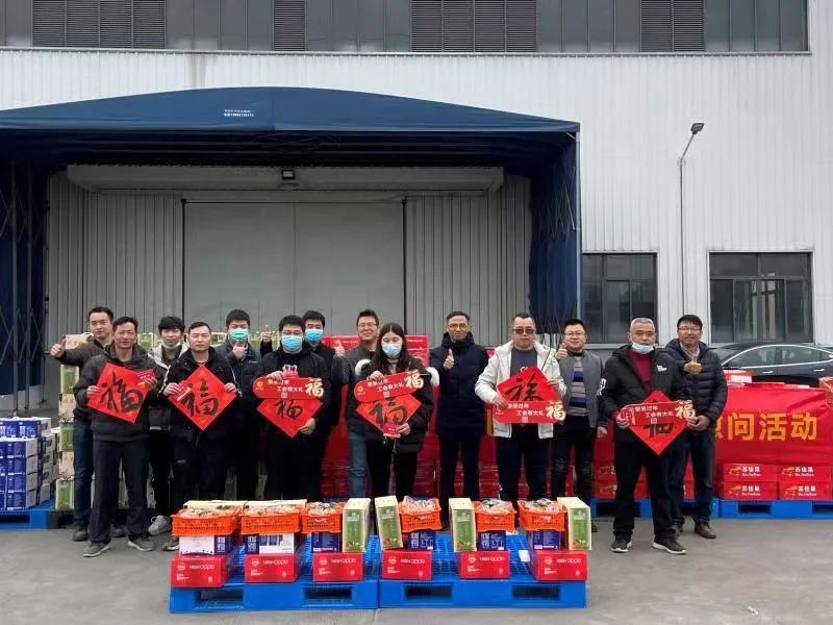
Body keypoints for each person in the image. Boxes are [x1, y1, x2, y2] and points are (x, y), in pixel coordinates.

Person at [74, 316, 164, 557]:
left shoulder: (147, 365)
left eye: (130, 332)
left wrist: (153, 389)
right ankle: (99, 537)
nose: (125, 337)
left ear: (136, 336)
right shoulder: (97, 363)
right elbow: (79, 392)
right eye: (121, 332)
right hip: (104, 434)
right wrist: (86, 393)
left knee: (137, 486)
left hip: (137, 435)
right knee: (104, 487)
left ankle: (138, 534)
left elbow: (159, 399)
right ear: (113, 334)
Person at [598, 317, 689, 556]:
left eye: (649, 333)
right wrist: (616, 415)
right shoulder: (615, 363)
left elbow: (681, 393)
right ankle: (622, 534)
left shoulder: (668, 361)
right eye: (639, 333)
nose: (645, 338)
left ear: (655, 336)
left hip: (661, 437)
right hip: (628, 437)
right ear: (629, 336)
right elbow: (604, 396)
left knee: (662, 486)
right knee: (625, 487)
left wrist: (681, 410)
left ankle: (664, 535)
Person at [475, 313, 566, 506]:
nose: (524, 334)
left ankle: (537, 522)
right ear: (512, 332)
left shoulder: (548, 356)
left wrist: (557, 387)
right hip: (508, 428)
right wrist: (494, 397)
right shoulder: (499, 356)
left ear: (535, 333)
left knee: (538, 481)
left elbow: (562, 389)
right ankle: (510, 520)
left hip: (539, 427)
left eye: (529, 330)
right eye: (519, 330)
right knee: (508, 479)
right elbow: (481, 384)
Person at [162, 321, 238, 550]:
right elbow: (164, 396)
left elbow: (234, 397)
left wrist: (232, 391)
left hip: (215, 435)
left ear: (210, 338)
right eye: (195, 336)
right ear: (188, 338)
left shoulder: (223, 364)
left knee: (212, 482)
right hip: (184, 435)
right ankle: (180, 532)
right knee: (182, 483)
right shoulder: (178, 365)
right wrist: (166, 392)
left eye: (204, 335)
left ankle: (212, 529)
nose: (200, 339)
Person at [50, 305, 119, 543]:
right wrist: (60, 354)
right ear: (89, 326)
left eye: (103, 322)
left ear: (112, 324)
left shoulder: (123, 350)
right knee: (82, 473)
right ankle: (81, 522)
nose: (99, 327)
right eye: (94, 323)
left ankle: (110, 521)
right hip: (86, 420)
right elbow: (69, 357)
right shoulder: (86, 350)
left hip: (111, 422)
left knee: (108, 474)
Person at [664, 314, 727, 540]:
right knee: (675, 476)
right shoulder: (667, 356)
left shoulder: (711, 357)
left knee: (705, 477)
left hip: (704, 426)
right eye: (684, 328)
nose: (689, 332)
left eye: (694, 328)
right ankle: (675, 521)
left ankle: (703, 521)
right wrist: (678, 417)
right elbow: (662, 386)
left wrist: (709, 417)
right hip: (677, 427)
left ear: (701, 332)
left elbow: (721, 389)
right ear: (677, 331)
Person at [255, 315, 331, 500]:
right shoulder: (268, 360)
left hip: (306, 432)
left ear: (303, 336)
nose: (292, 336)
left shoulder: (317, 361)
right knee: (276, 480)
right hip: (275, 432)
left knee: (308, 481)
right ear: (280, 335)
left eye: (296, 333)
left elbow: (326, 394)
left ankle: (307, 518)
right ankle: (277, 517)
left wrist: (315, 419)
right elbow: (255, 390)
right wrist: (267, 382)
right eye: (287, 333)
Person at [355, 322, 435, 499]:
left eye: (395, 339)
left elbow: (427, 403)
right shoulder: (370, 368)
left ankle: (403, 514)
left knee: (405, 484)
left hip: (407, 436)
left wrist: (411, 425)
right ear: (380, 342)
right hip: (377, 436)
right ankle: (380, 516)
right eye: (386, 340)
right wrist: (368, 383)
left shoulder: (415, 367)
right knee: (379, 485)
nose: (391, 344)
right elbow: (358, 398)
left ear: (403, 341)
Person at [430, 311, 489, 521]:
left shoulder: (480, 352)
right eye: (453, 325)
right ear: (447, 328)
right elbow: (432, 377)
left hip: (473, 418)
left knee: (471, 467)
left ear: (469, 327)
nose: (458, 329)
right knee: (447, 468)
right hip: (448, 419)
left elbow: (488, 380)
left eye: (462, 325)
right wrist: (443, 368)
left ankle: (472, 513)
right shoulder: (437, 352)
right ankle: (444, 515)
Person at [552, 319, 605, 524]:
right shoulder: (554, 358)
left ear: (585, 337)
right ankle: (557, 514)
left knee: (585, 469)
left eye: (579, 333)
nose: (574, 337)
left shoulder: (596, 361)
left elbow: (602, 394)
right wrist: (553, 360)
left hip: (587, 422)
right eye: (570, 333)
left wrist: (602, 423)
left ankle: (583, 517)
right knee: (559, 467)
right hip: (561, 422)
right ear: (563, 337)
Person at [215, 309, 261, 500]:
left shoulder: (256, 354)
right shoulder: (217, 353)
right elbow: (211, 376)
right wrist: (232, 357)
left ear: (249, 329)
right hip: (222, 420)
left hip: (250, 419)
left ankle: (246, 506)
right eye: (235, 327)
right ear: (227, 329)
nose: (239, 330)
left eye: (243, 327)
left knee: (248, 471)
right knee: (219, 469)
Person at [146, 315, 185, 538]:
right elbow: (143, 389)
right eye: (166, 331)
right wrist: (160, 391)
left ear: (182, 333)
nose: (171, 335)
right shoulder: (148, 358)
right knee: (159, 472)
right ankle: (162, 514)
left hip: (182, 425)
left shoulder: (190, 357)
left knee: (182, 473)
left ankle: (180, 516)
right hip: (156, 425)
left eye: (175, 330)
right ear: (160, 334)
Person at [300, 310, 343, 500]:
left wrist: (339, 361)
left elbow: (336, 385)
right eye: (309, 326)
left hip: (321, 418)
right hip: (295, 417)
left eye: (317, 327)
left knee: (314, 463)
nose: (313, 330)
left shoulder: (330, 354)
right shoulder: (295, 352)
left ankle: (315, 502)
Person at [339, 310, 381, 498]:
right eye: (362, 325)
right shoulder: (349, 356)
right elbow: (340, 380)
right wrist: (338, 361)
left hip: (383, 423)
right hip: (357, 423)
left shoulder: (387, 354)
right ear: (357, 329)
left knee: (382, 470)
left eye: (370, 324)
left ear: (378, 328)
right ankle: (359, 510)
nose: (366, 328)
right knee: (357, 470)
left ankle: (382, 511)